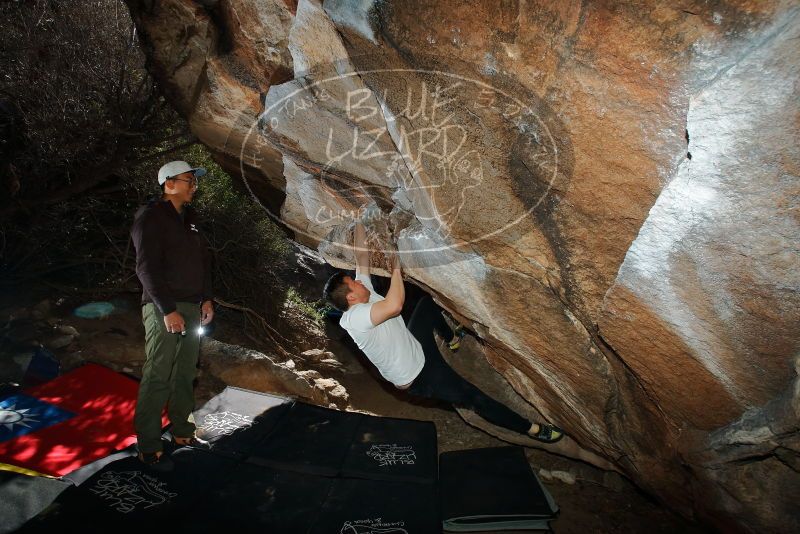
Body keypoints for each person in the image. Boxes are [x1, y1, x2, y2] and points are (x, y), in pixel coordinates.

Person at [323, 222, 563, 443]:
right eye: (355, 283)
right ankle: (532, 429)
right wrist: (396, 267)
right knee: (474, 397)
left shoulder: (361, 295)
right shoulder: (354, 319)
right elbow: (394, 305)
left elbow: (361, 258)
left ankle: (452, 339)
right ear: (352, 297)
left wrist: (360, 223)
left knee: (426, 305)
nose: (360, 281)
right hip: (418, 375)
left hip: (414, 345)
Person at [130, 160, 215, 467]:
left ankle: (182, 431)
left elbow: (204, 262)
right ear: (169, 183)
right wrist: (167, 309)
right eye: (189, 180)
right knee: (159, 372)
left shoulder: (191, 218)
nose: (194, 186)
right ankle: (149, 441)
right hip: (162, 306)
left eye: (195, 181)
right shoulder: (150, 216)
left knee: (185, 372)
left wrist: (207, 299)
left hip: (193, 305)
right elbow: (146, 267)